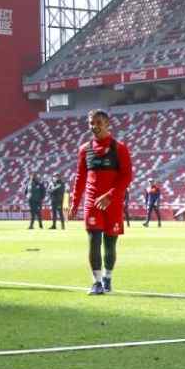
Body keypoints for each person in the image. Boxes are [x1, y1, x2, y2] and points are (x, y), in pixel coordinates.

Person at [69, 110, 132, 295]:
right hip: (91, 203)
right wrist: (75, 203)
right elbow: (80, 178)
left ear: (107, 124)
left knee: (110, 244)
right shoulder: (84, 149)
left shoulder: (119, 148)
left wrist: (110, 195)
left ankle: (107, 278)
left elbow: (127, 176)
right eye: (91, 123)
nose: (94, 126)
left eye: (98, 122)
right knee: (93, 241)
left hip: (112, 203)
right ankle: (96, 282)